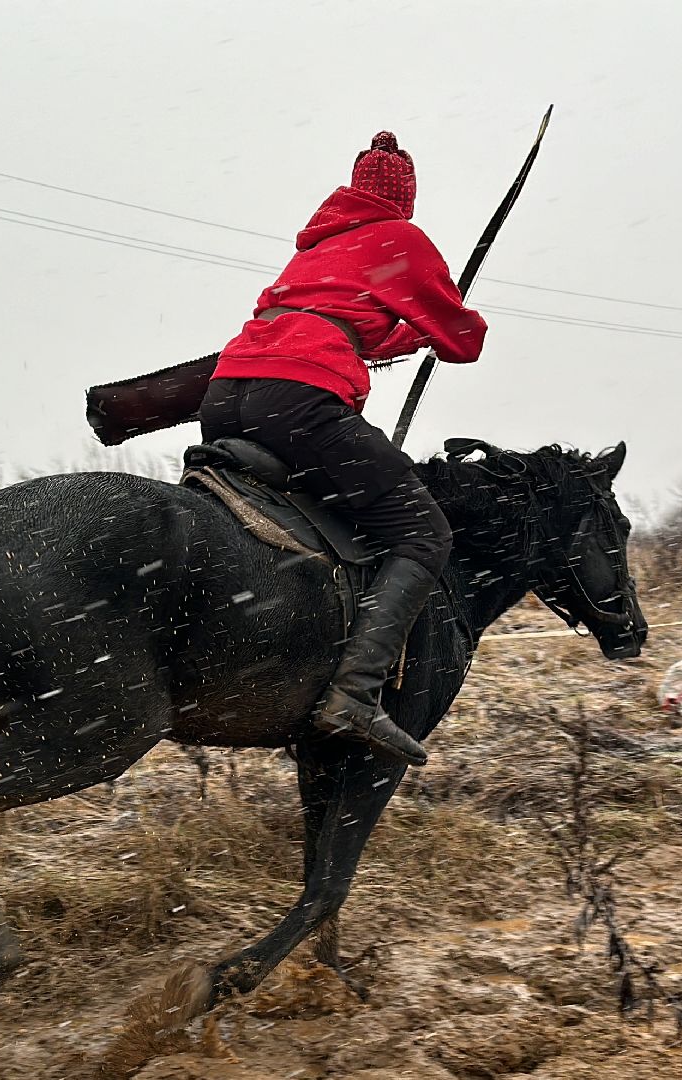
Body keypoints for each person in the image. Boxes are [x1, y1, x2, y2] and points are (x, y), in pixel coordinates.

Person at [199, 131, 487, 767]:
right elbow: (464, 341)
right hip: (299, 401)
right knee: (423, 533)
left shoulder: (317, 248)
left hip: (226, 396)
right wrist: (446, 320)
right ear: (404, 196)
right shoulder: (400, 240)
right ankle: (354, 694)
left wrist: (403, 337)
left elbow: (331, 326)